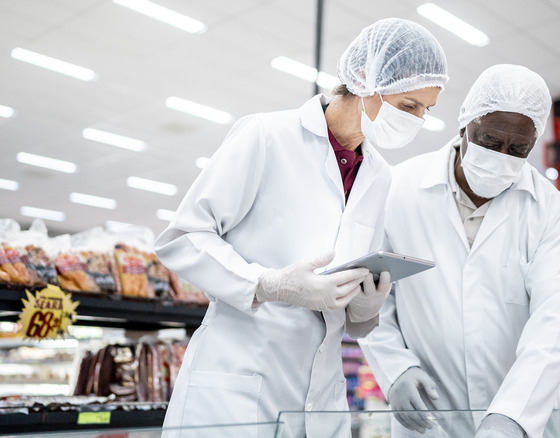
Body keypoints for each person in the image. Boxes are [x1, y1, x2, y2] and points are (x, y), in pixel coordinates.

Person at [154, 18, 448, 438]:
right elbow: (183, 238)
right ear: (364, 79)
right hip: (238, 389)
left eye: (426, 110)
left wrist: (363, 310)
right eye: (409, 106)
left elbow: (340, 289)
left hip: (321, 401)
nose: (419, 120)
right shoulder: (266, 135)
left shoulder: (379, 176)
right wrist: (268, 284)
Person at [358, 64, 560, 438]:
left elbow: (555, 324)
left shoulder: (551, 211)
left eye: (518, 149)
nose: (502, 156)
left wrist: (513, 416)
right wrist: (395, 368)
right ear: (464, 126)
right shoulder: (399, 188)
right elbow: (373, 294)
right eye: (491, 142)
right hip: (431, 417)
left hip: (520, 422)